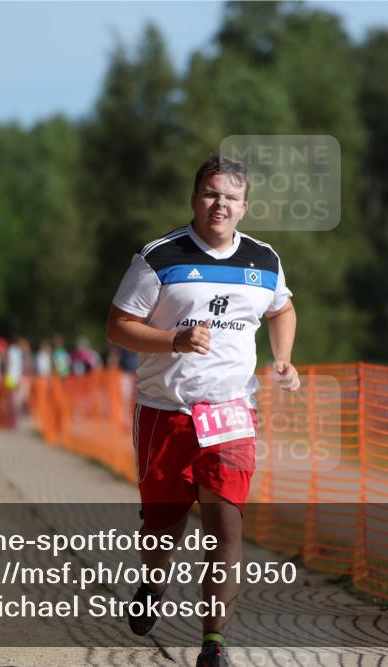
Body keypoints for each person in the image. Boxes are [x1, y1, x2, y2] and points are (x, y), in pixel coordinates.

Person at [106, 155, 300, 667]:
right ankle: (153, 581)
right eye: (212, 194)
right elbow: (118, 326)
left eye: (231, 197)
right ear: (194, 199)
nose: (220, 205)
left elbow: (282, 308)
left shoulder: (264, 260)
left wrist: (282, 358)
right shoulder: (159, 256)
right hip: (165, 411)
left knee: (226, 526)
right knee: (163, 526)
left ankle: (214, 644)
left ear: (245, 208)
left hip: (231, 413)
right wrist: (174, 340)